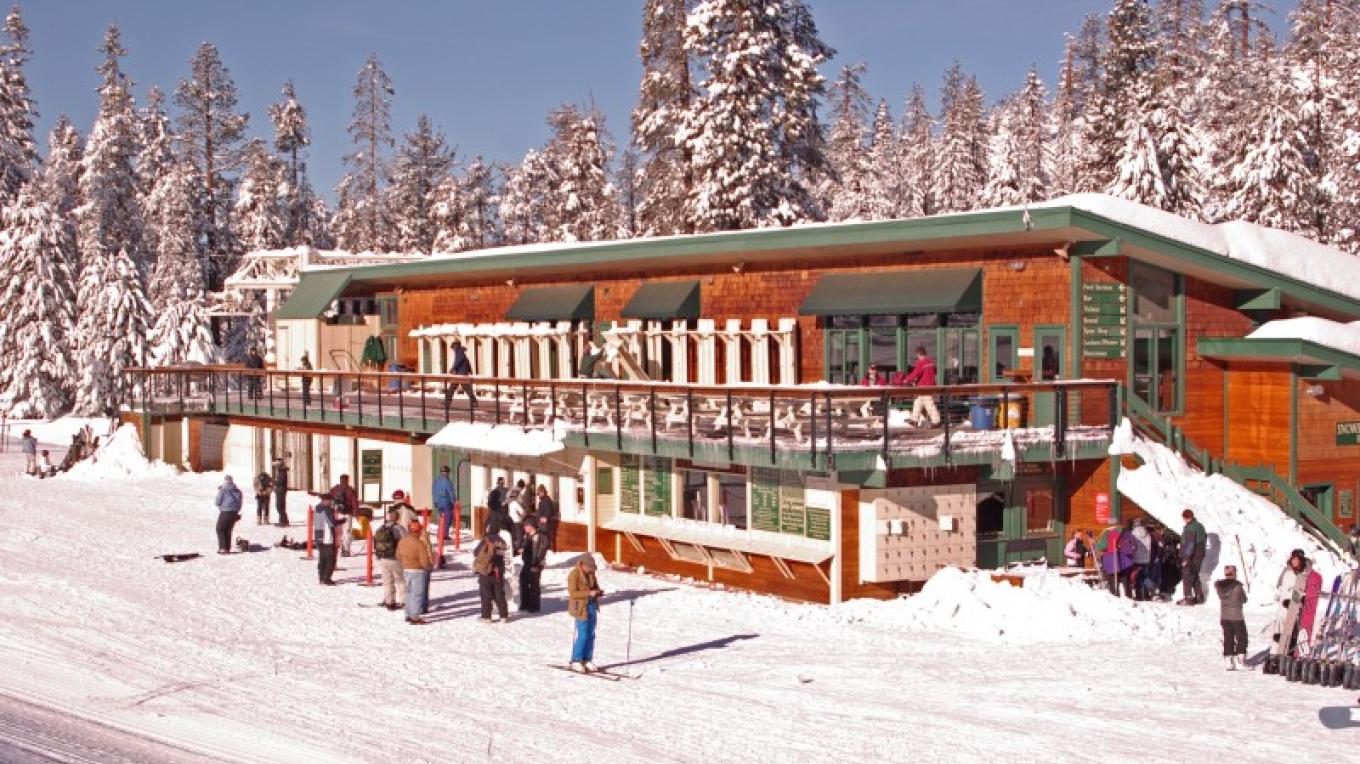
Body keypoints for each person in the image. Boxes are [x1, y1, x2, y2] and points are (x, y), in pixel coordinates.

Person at [567, 555, 603, 673]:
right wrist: (588, 593)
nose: (591, 570)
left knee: (591, 634)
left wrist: (598, 592)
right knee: (583, 634)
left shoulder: (591, 574)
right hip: (581, 607)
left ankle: (587, 659)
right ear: (582, 565)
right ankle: (576, 660)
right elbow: (573, 593)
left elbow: (595, 586)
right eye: (589, 568)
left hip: (592, 605)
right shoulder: (574, 574)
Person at [396, 519, 433, 625]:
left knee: (408, 593)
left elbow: (397, 555)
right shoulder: (420, 544)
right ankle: (415, 616)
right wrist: (429, 566)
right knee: (417, 594)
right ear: (419, 531)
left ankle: (408, 614)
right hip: (418, 571)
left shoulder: (402, 541)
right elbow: (425, 561)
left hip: (406, 570)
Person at [372, 507, 406, 611]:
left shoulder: (381, 527)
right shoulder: (399, 528)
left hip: (383, 558)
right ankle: (405, 601)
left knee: (387, 581)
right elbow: (405, 542)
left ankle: (389, 602)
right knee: (401, 580)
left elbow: (375, 542)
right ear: (397, 517)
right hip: (395, 558)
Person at [1216, 564, 1248, 670]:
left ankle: (1228, 661)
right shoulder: (1238, 586)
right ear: (1234, 573)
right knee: (1241, 637)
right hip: (1237, 616)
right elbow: (1243, 599)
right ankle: (1240, 660)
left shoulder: (1219, 587)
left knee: (1228, 638)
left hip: (1224, 616)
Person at [472, 531, 510, 622]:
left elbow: (476, 553)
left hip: (486, 571)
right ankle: (504, 616)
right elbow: (504, 555)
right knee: (499, 593)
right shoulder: (502, 541)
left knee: (486, 594)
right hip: (498, 571)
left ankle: (486, 617)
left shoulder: (486, 540)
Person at [901, 346, 941, 428]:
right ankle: (914, 420)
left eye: (917, 355)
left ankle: (936, 421)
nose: (917, 357)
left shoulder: (921, 362)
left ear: (919, 354)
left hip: (923, 386)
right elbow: (935, 372)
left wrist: (906, 380)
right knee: (918, 402)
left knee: (929, 404)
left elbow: (916, 373)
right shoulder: (931, 362)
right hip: (930, 385)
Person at [520, 516, 549, 613]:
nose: (524, 528)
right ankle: (525, 604)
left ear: (531, 526)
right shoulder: (526, 536)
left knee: (534, 585)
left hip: (536, 563)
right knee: (523, 582)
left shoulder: (541, 536)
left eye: (525, 526)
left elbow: (543, 548)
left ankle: (534, 606)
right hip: (527, 563)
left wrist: (537, 562)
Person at [1179, 509, 1207, 605]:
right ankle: (1199, 597)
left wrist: (1186, 558)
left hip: (1192, 556)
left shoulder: (1191, 528)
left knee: (1187, 576)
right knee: (1194, 575)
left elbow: (1190, 544)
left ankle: (1188, 598)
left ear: (1185, 517)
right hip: (1199, 555)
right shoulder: (1200, 526)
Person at [313, 496, 340, 585]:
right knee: (330, 559)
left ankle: (321, 578)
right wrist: (342, 521)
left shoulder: (317, 509)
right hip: (327, 538)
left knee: (322, 559)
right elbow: (332, 523)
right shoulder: (327, 510)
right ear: (326, 501)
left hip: (319, 536)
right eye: (330, 501)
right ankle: (326, 579)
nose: (330, 503)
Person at [330, 474, 359, 557]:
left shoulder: (335, 489)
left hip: (337, 514)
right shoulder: (350, 490)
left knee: (338, 532)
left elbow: (329, 496)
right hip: (347, 514)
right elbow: (354, 503)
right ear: (347, 480)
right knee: (347, 532)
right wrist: (356, 513)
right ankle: (346, 549)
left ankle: (338, 548)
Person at [214, 475, 243, 555]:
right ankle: (227, 547)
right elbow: (240, 503)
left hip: (225, 511)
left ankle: (223, 548)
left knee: (220, 529)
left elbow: (217, 502)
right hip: (234, 512)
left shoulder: (223, 490)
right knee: (228, 530)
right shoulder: (238, 491)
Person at [444, 339, 476, 407]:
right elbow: (467, 362)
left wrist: (452, 369)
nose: (453, 349)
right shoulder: (461, 352)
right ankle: (447, 402)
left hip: (461, 374)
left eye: (453, 347)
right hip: (460, 374)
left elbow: (458, 362)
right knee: (454, 387)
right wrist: (469, 370)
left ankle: (447, 402)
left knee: (462, 388)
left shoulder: (459, 352)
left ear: (456, 346)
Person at [1127, 518, 1152, 601]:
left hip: (1136, 559)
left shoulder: (1133, 534)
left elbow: (1131, 545)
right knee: (1145, 576)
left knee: (1137, 578)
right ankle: (1147, 595)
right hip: (1146, 559)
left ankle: (1139, 595)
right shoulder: (1147, 534)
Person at [432, 465, 457, 541]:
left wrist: (435, 502)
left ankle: (440, 534)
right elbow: (451, 493)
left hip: (438, 503)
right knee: (447, 519)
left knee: (442, 519)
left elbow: (433, 492)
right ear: (447, 472)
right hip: (446, 503)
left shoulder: (436, 481)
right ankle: (444, 535)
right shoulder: (447, 481)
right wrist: (454, 502)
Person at [536, 484, 560, 552]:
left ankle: (548, 551)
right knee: (544, 538)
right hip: (543, 523)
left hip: (545, 523)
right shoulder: (544, 500)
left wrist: (545, 518)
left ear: (543, 492)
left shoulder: (546, 500)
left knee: (546, 539)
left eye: (539, 492)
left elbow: (548, 512)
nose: (538, 494)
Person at [271, 457, 290, 526]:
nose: (275, 467)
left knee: (280, 506)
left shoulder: (282, 472)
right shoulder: (280, 471)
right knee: (280, 506)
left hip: (281, 491)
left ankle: (283, 521)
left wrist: (274, 482)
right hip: (280, 490)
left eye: (276, 465)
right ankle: (283, 520)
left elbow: (281, 482)